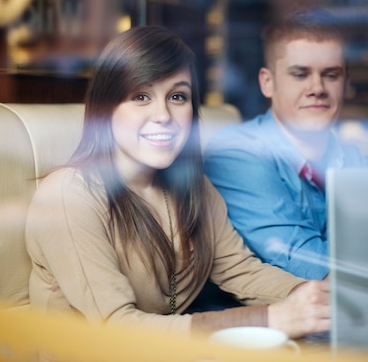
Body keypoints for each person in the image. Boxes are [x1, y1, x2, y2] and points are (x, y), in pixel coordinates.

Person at [25, 25, 330, 338]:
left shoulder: (191, 185)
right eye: (141, 96)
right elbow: (118, 328)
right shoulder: (68, 196)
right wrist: (268, 319)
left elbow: (242, 271)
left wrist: (324, 297)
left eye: (177, 96)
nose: (163, 115)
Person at [203, 10, 368, 280]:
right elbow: (311, 265)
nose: (317, 88)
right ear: (268, 83)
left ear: (346, 83)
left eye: (331, 75)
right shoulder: (237, 152)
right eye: (300, 74)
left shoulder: (350, 154)